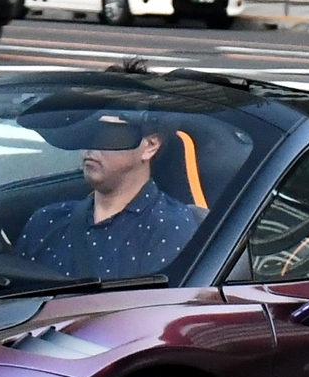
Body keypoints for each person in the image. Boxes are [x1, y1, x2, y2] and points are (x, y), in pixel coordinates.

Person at [16, 110, 205, 280]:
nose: (90, 146)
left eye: (107, 133)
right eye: (86, 132)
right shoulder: (45, 222)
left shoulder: (171, 228)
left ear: (150, 146)